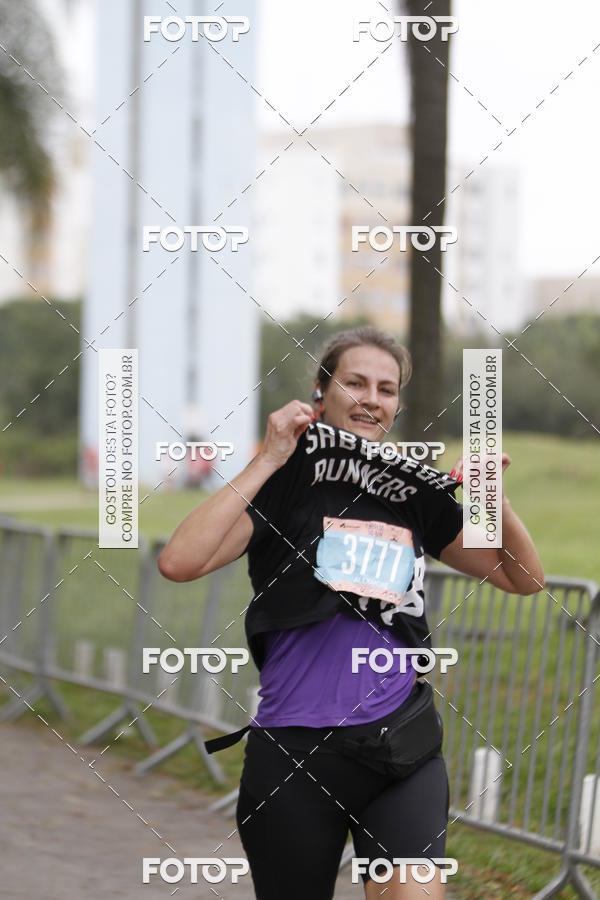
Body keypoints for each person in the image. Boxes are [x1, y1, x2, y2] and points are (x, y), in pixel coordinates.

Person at [158, 326, 545, 900]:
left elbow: (523, 577)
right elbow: (179, 561)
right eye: (355, 382)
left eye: (386, 389)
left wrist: (495, 500)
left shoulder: (411, 491)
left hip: (401, 749)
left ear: (397, 404)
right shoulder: (284, 482)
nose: (372, 398)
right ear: (321, 391)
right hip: (294, 750)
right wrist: (268, 458)